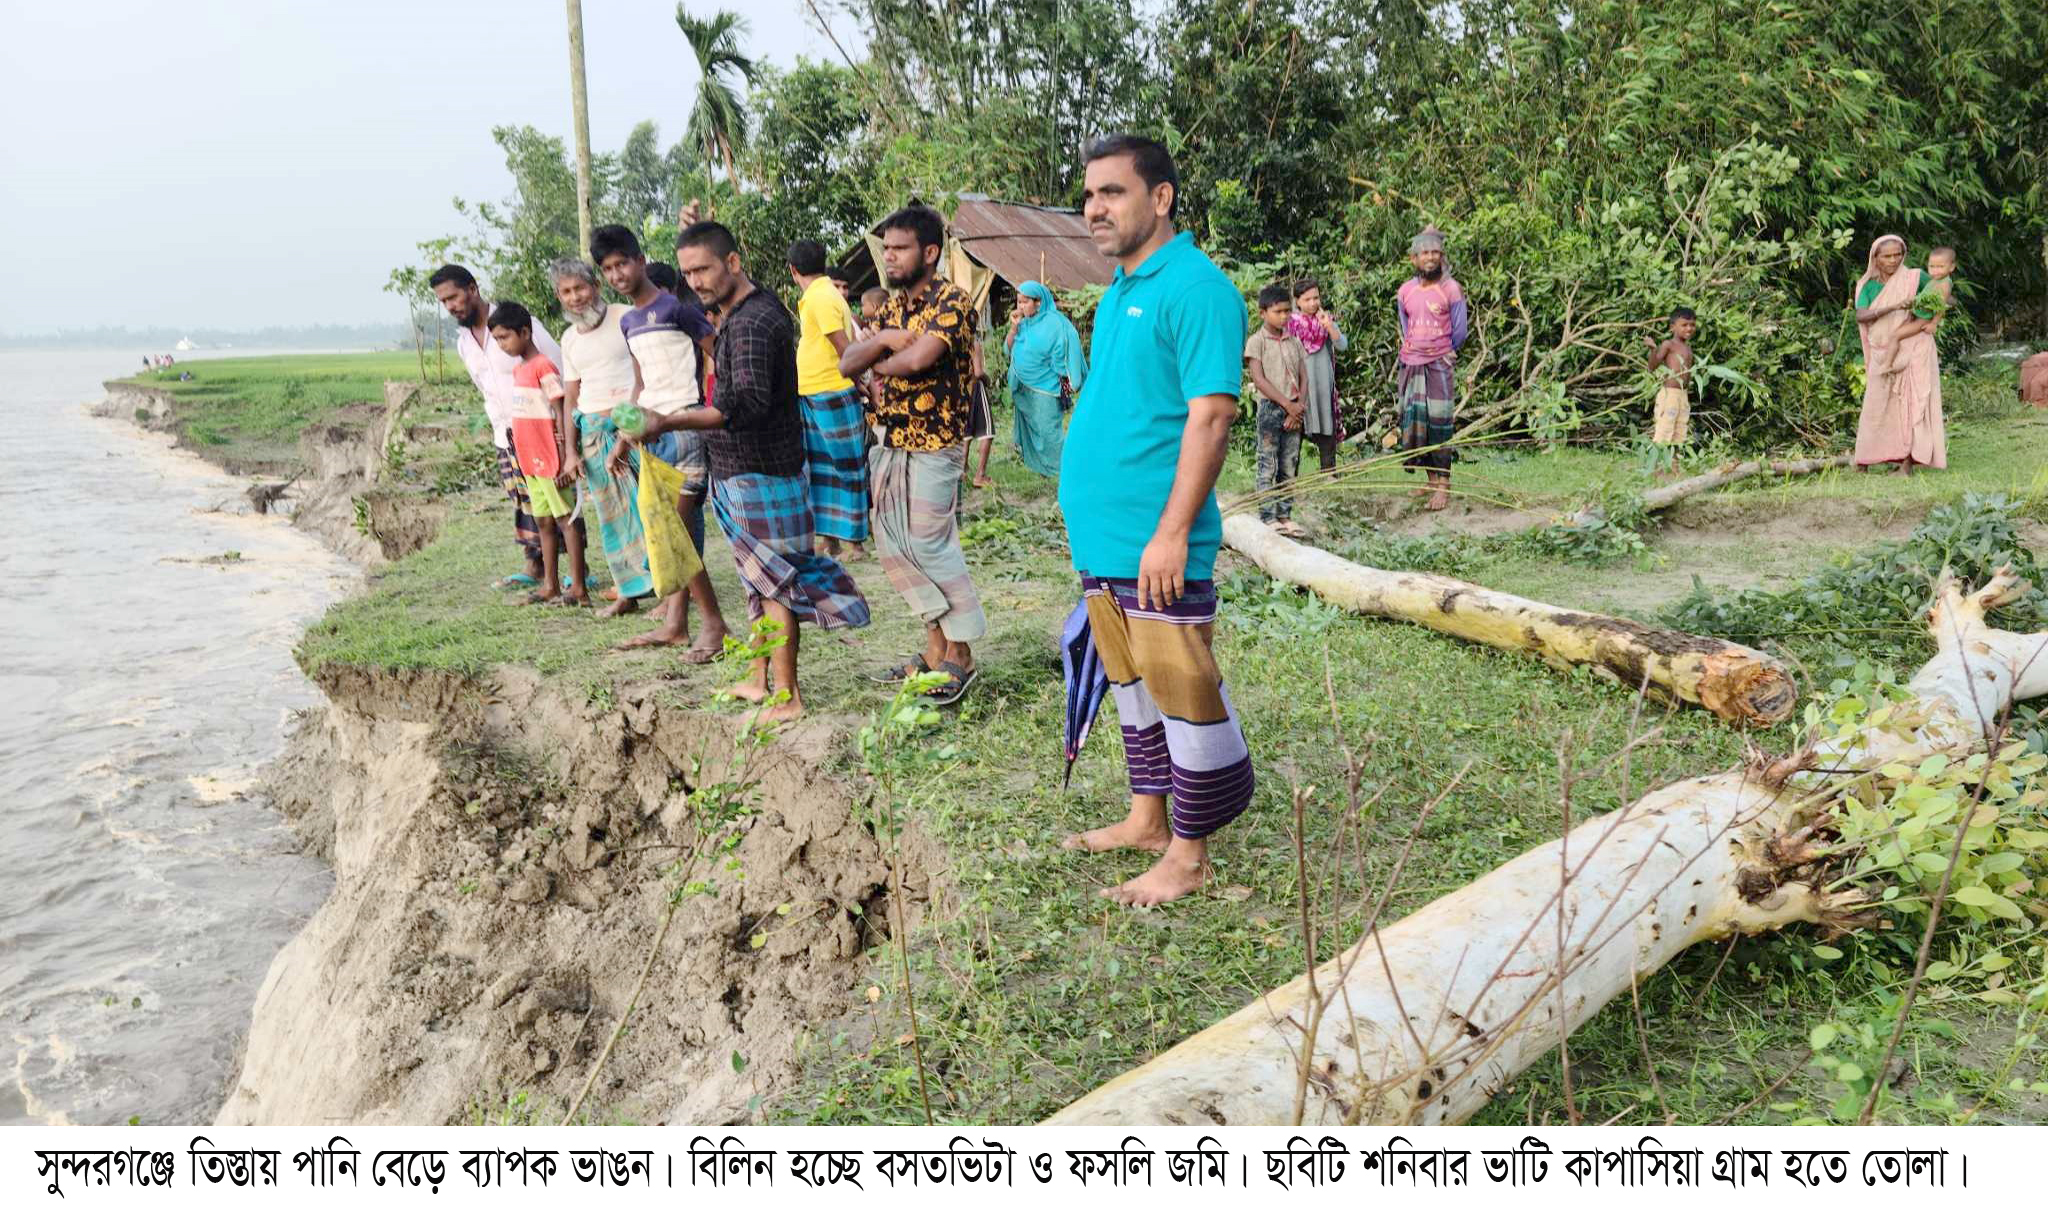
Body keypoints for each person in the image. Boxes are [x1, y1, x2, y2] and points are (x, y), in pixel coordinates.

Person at [1057, 133, 1257, 908]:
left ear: (1161, 197)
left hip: (1157, 542)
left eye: (1112, 192)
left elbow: (1210, 418)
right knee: (1133, 688)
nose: (1094, 208)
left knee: (1181, 689)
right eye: (1088, 195)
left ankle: (1189, 855)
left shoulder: (1197, 289)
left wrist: (1172, 533)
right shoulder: (1118, 290)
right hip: (1106, 542)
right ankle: (1148, 820)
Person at [663, 220, 870, 721]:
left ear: (733, 263)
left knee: (774, 584)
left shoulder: (754, 322)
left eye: (703, 269)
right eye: (687, 272)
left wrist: (666, 420)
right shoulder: (739, 313)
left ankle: (787, 696)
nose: (695, 281)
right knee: (757, 582)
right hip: (743, 470)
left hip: (762, 472)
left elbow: (746, 404)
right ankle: (759, 679)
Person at [839, 205, 990, 706]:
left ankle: (961, 652)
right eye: (886, 248)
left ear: (929, 252)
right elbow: (847, 363)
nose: (889, 257)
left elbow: (920, 359)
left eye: (899, 249)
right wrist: (883, 340)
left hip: (935, 445)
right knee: (896, 546)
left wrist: (880, 361)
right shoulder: (890, 311)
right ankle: (933, 650)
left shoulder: (953, 301)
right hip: (889, 442)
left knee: (929, 544)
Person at [593, 224, 731, 658]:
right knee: (670, 530)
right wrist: (623, 437)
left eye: (622, 263)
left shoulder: (678, 309)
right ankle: (676, 625)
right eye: (607, 269)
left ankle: (713, 625)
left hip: (686, 427)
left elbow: (721, 355)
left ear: (639, 260)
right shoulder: (629, 321)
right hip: (649, 435)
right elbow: (641, 384)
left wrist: (722, 412)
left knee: (674, 530)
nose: (617, 275)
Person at [433, 263, 563, 588]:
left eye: (453, 297)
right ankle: (534, 566)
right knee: (523, 498)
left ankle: (578, 570)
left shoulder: (519, 322)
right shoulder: (464, 342)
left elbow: (557, 367)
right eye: (443, 301)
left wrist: (561, 429)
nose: (450, 306)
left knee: (558, 499)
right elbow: (485, 388)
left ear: (472, 289)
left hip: (541, 429)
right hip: (505, 432)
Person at [552, 257, 653, 616]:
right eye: (566, 291)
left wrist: (628, 429)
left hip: (635, 428)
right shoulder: (569, 339)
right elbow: (571, 398)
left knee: (652, 508)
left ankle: (672, 590)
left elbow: (645, 375)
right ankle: (627, 592)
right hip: (593, 436)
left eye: (579, 288)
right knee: (612, 518)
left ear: (595, 286)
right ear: (559, 297)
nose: (575, 297)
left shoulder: (626, 317)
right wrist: (570, 452)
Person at [488, 301, 589, 607]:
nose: (502, 345)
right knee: (543, 522)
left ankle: (579, 588)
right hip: (529, 460)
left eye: (505, 337)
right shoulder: (519, 369)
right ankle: (550, 585)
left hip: (549, 460)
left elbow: (559, 409)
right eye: (497, 340)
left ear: (524, 332)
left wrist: (564, 455)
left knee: (565, 520)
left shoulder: (544, 366)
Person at [787, 238, 870, 562]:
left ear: (793, 270)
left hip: (831, 390)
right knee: (820, 471)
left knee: (846, 466)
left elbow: (844, 349)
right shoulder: (819, 295)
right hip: (813, 391)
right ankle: (831, 541)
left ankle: (855, 544)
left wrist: (858, 382)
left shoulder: (821, 297)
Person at [1852, 235, 1945, 475]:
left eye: (1897, 255)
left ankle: (1906, 464)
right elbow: (1861, 315)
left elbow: (1943, 295)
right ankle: (1864, 461)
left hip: (1913, 348)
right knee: (1875, 406)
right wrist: (1894, 307)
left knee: (1909, 406)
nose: (1893, 260)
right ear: (1875, 258)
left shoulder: (1915, 278)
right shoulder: (1868, 286)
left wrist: (1928, 317)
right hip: (1882, 352)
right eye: (1887, 256)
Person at [1394, 227, 1468, 511]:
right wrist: (1414, 349)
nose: (1431, 257)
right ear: (1414, 258)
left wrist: (1444, 352)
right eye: (1425, 253)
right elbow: (1406, 326)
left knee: (1439, 422)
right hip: (1411, 363)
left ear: (1442, 256)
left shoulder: (1451, 289)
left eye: (1435, 252)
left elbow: (1460, 331)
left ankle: (1444, 486)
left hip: (1439, 364)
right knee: (1417, 422)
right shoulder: (1405, 291)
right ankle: (1431, 480)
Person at [1003, 279, 1086, 478]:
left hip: (1046, 388)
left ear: (1038, 302)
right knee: (1033, 427)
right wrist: (1014, 327)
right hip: (1023, 385)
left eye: (1025, 302)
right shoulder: (1024, 323)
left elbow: (1063, 355)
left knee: (1048, 431)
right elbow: (1008, 349)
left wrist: (1067, 385)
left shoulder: (1055, 324)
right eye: (1019, 301)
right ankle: (1043, 468)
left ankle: (1067, 471)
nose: (1020, 306)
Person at [1246, 282, 1308, 536]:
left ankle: (1285, 514)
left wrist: (1299, 406)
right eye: (1278, 311)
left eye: (1287, 311)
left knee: (1289, 464)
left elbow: (1304, 376)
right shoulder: (1257, 342)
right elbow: (1259, 379)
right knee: (1268, 463)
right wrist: (1287, 404)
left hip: (1295, 409)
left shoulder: (1294, 342)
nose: (1284, 316)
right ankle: (1268, 516)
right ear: (1263, 313)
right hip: (1271, 409)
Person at [1287, 278, 1347, 472]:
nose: (1313, 303)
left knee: (1327, 428)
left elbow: (1342, 345)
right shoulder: (1290, 324)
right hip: (1299, 388)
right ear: (1297, 301)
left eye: (1316, 298)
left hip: (1322, 385)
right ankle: (1288, 478)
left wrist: (1329, 326)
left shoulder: (1325, 319)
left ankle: (1328, 473)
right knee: (1294, 431)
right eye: (1307, 299)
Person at [1644, 307, 1697, 475]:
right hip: (1670, 395)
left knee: (1679, 431)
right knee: (1664, 429)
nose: (1689, 328)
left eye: (1692, 325)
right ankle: (1656, 468)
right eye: (1684, 325)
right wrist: (1653, 349)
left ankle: (1673, 468)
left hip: (1682, 395)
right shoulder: (1669, 345)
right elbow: (1652, 367)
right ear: (1672, 327)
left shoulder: (1688, 348)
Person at [966, 334, 997, 488]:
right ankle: (980, 475)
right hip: (976, 387)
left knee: (965, 432)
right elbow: (978, 372)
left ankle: (962, 471)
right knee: (987, 432)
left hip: (960, 389)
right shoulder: (973, 341)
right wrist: (987, 380)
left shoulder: (953, 337)